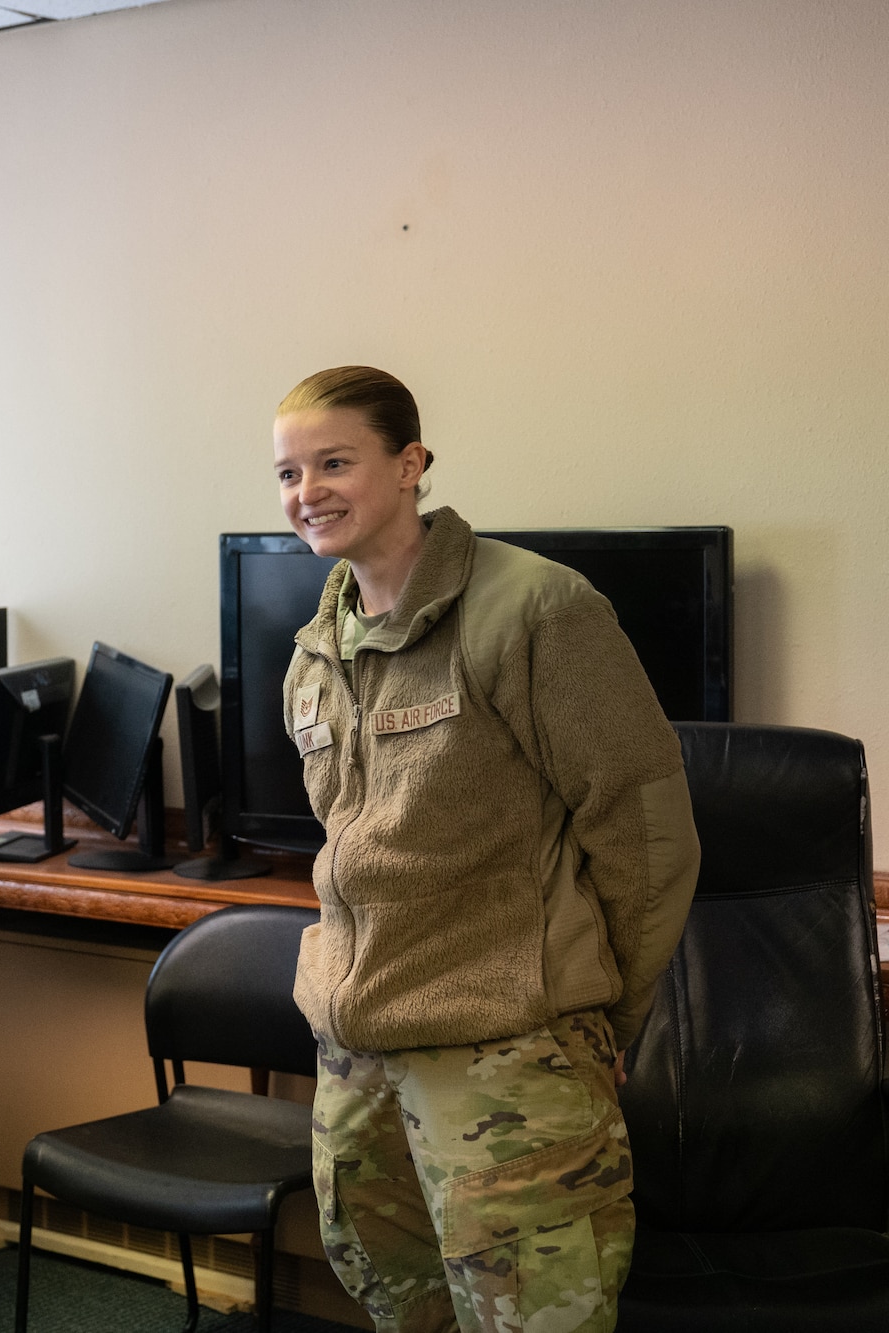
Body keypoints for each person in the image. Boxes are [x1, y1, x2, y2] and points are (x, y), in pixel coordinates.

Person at [272, 366, 698, 1333]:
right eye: (289, 472)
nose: (308, 493)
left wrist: (599, 1016)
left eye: (335, 461)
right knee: (402, 1309)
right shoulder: (315, 650)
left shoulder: (535, 610)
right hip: (361, 1059)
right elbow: (349, 842)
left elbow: (646, 834)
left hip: (509, 1052)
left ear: (411, 463)